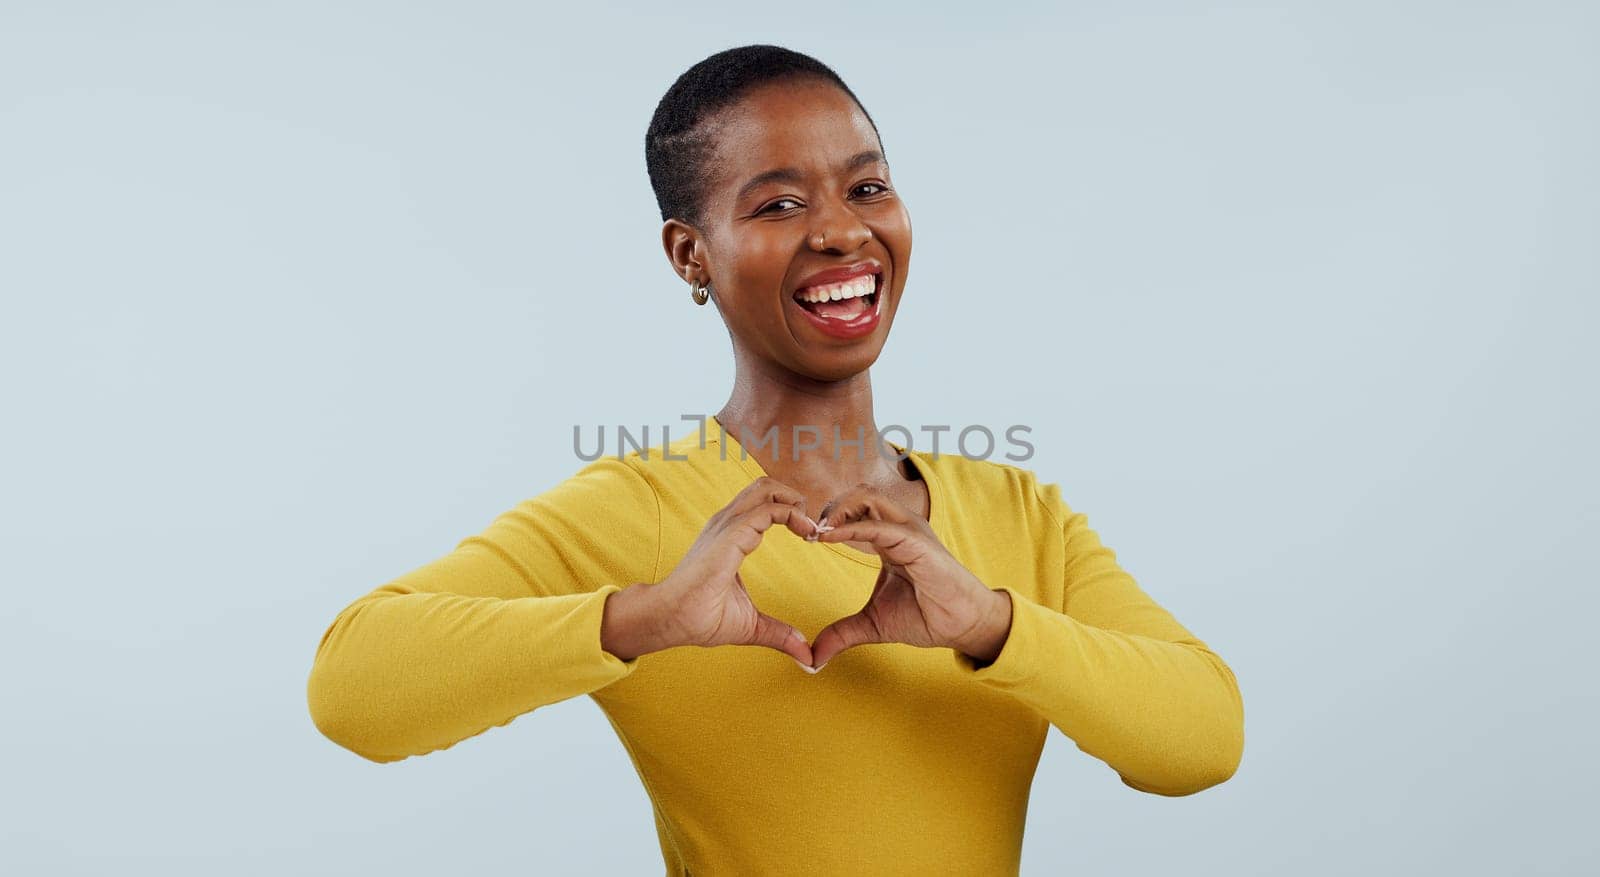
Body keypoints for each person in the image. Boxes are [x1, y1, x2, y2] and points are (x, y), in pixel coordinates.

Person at [306, 44, 1245, 876]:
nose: (841, 230)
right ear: (690, 255)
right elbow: (354, 689)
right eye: (779, 203)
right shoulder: (642, 512)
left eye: (868, 187)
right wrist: (643, 618)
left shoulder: (1021, 514)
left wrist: (993, 625)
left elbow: (1203, 741)